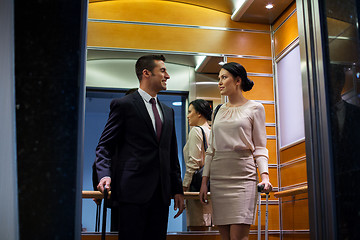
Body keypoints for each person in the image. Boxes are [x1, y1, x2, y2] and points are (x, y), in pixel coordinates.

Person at [95, 55, 185, 240]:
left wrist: (177, 189)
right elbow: (104, 146)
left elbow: (171, 155)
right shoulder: (124, 105)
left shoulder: (168, 111)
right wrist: (104, 175)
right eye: (162, 70)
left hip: (161, 196)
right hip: (132, 193)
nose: (167, 76)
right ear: (146, 73)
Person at [199, 62, 272, 240]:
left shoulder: (255, 108)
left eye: (224, 77)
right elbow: (211, 150)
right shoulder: (218, 111)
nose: (220, 82)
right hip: (219, 177)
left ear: (238, 80)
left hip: (243, 176)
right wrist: (204, 181)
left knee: (239, 237)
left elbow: (261, 146)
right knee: (224, 237)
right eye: (219, 79)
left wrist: (265, 176)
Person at [183, 99, 212, 230]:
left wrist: (184, 187)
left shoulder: (196, 131)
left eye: (190, 112)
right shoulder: (211, 131)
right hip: (210, 186)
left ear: (199, 113)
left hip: (196, 187)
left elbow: (193, 163)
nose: (188, 115)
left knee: (198, 229)